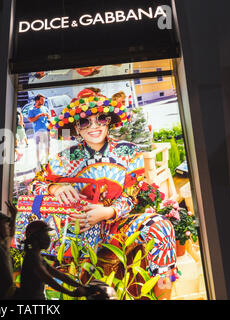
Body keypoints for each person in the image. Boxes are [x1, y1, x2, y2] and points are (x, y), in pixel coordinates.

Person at [30, 90, 178, 299]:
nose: (94, 126)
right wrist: (54, 188)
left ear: (109, 121)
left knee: (162, 227)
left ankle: (165, 293)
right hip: (78, 231)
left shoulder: (130, 152)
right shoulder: (63, 159)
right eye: (84, 122)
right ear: (75, 128)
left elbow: (130, 195)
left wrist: (107, 211)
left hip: (119, 223)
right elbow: (35, 185)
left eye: (100, 118)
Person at [18, 220, 87, 300]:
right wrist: (71, 293)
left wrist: (81, 286)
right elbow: (48, 279)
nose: (48, 238)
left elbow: (59, 274)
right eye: (45, 234)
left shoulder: (37, 256)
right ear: (37, 237)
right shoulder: (32, 257)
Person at [28, 94, 50, 170]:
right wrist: (39, 115)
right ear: (37, 101)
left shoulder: (45, 108)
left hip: (46, 130)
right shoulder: (31, 110)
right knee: (38, 148)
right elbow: (30, 120)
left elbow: (49, 118)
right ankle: (38, 162)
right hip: (38, 131)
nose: (43, 101)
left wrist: (47, 116)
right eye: (42, 100)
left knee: (47, 147)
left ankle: (47, 161)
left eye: (43, 100)